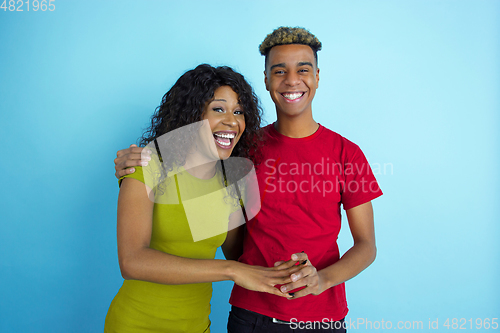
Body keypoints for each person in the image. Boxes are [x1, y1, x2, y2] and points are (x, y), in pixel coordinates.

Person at [114, 27, 383, 332]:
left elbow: (366, 245)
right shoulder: (242, 153)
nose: (292, 80)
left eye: (303, 69)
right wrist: (138, 163)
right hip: (250, 315)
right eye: (279, 71)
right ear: (266, 80)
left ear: (317, 77)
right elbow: (188, 175)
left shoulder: (347, 153)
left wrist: (321, 278)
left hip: (321, 317)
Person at [105, 64, 302, 333]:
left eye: (239, 111)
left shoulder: (230, 185)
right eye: (218, 109)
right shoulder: (147, 165)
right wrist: (230, 271)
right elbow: (132, 261)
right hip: (136, 324)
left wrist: (298, 262)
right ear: (192, 115)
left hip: (198, 326)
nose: (232, 121)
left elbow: (242, 257)